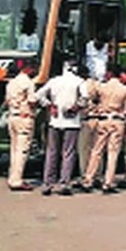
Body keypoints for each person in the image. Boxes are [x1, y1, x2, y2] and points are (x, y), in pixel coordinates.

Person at [35, 60, 88, 196]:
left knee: (52, 152)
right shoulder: (79, 82)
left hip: (55, 121)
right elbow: (85, 98)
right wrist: (76, 107)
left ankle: (47, 183)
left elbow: (38, 95)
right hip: (72, 122)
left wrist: (50, 105)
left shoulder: (54, 81)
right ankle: (64, 183)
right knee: (68, 153)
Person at [82, 64, 126, 194]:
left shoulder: (102, 87)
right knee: (113, 153)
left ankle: (88, 179)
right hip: (117, 120)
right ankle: (108, 182)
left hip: (103, 120)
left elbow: (93, 98)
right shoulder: (125, 90)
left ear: (109, 73)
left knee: (96, 151)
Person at [4, 59, 38, 191]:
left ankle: (12, 177)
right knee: (22, 151)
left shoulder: (12, 82)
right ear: (28, 68)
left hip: (12, 116)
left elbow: (7, 101)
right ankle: (17, 180)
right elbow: (32, 101)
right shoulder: (28, 83)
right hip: (24, 118)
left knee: (14, 150)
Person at [76, 65, 103, 180]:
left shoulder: (80, 85)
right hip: (99, 119)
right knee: (97, 149)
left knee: (84, 150)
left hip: (85, 119)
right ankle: (97, 174)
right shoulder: (98, 84)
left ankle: (86, 175)